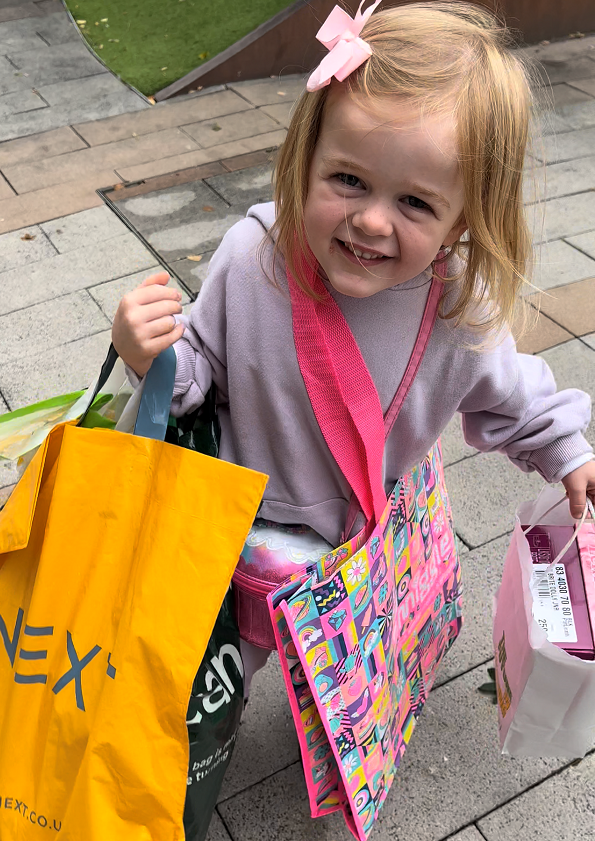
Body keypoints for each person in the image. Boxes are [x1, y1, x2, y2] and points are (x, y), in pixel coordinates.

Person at [112, 1, 595, 688]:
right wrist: (149, 353)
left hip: (363, 552)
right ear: (307, 157)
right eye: (348, 180)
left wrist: (566, 450)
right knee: (202, 681)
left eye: (415, 203)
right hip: (238, 528)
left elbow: (512, 394)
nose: (370, 220)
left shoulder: (458, 311)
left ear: (463, 220)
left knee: (341, 699)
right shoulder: (254, 258)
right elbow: (198, 372)